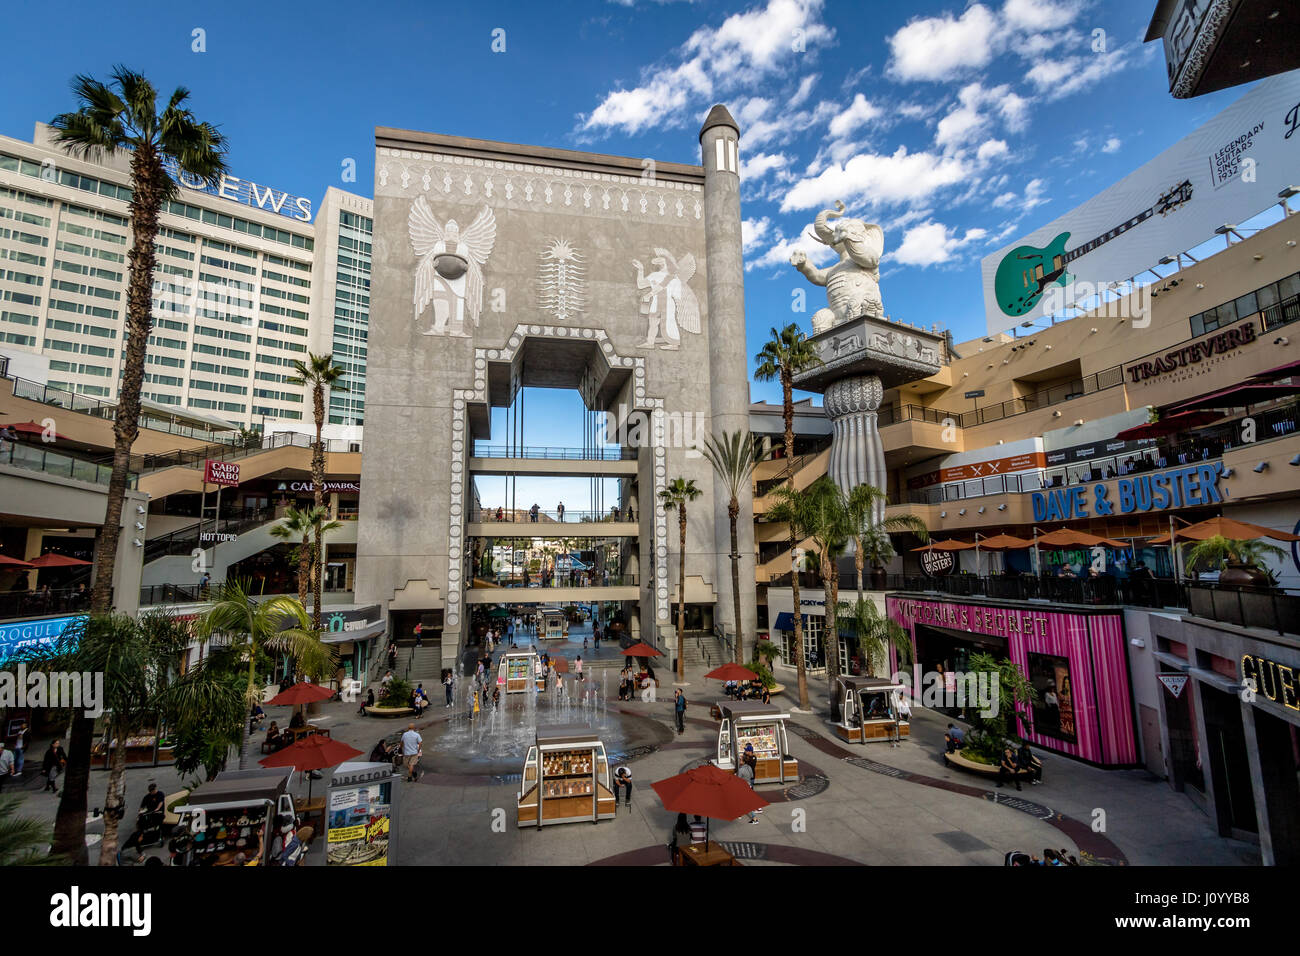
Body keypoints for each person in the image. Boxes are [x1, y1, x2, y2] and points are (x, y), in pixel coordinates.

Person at [736, 755, 759, 824]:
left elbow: (738, 779)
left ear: (743, 761)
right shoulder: (749, 767)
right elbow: (752, 775)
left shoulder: (741, 770)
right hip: (749, 785)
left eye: (740, 760)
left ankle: (755, 818)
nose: (739, 761)